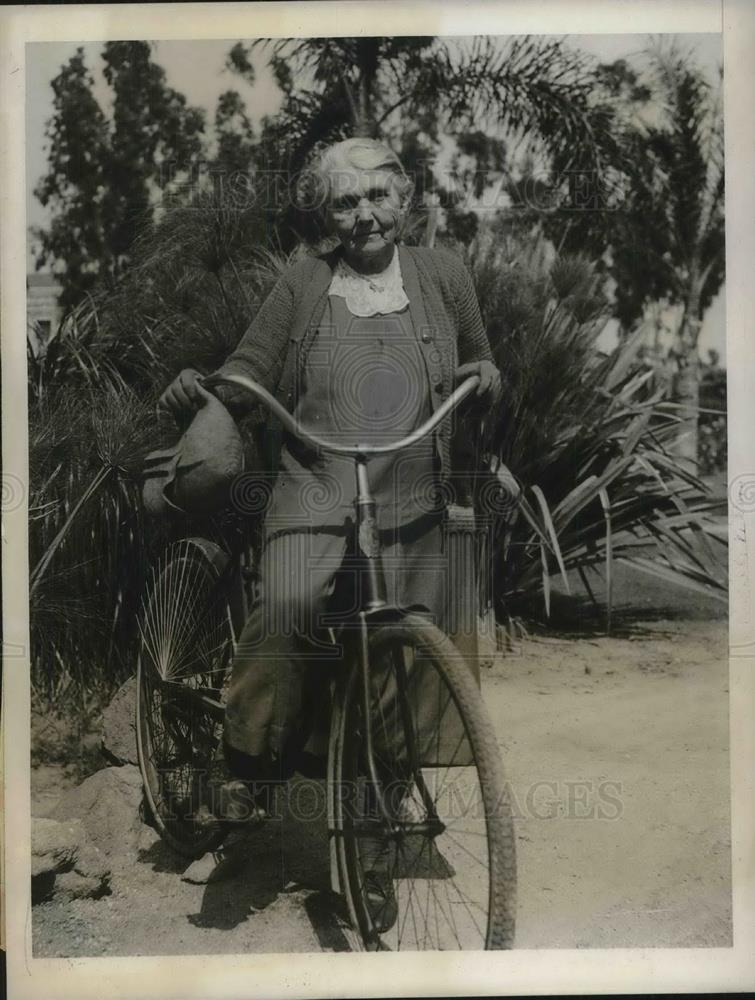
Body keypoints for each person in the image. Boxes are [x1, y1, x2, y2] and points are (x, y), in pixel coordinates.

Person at [159, 137, 500, 928]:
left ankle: (370, 839)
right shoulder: (304, 281)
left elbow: (481, 360)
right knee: (287, 608)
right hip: (314, 485)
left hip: (410, 490)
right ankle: (246, 774)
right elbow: (249, 367)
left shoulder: (443, 274)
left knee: (396, 665)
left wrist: (485, 377)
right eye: (344, 203)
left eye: (377, 197)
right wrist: (208, 396)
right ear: (325, 212)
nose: (363, 215)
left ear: (404, 198)